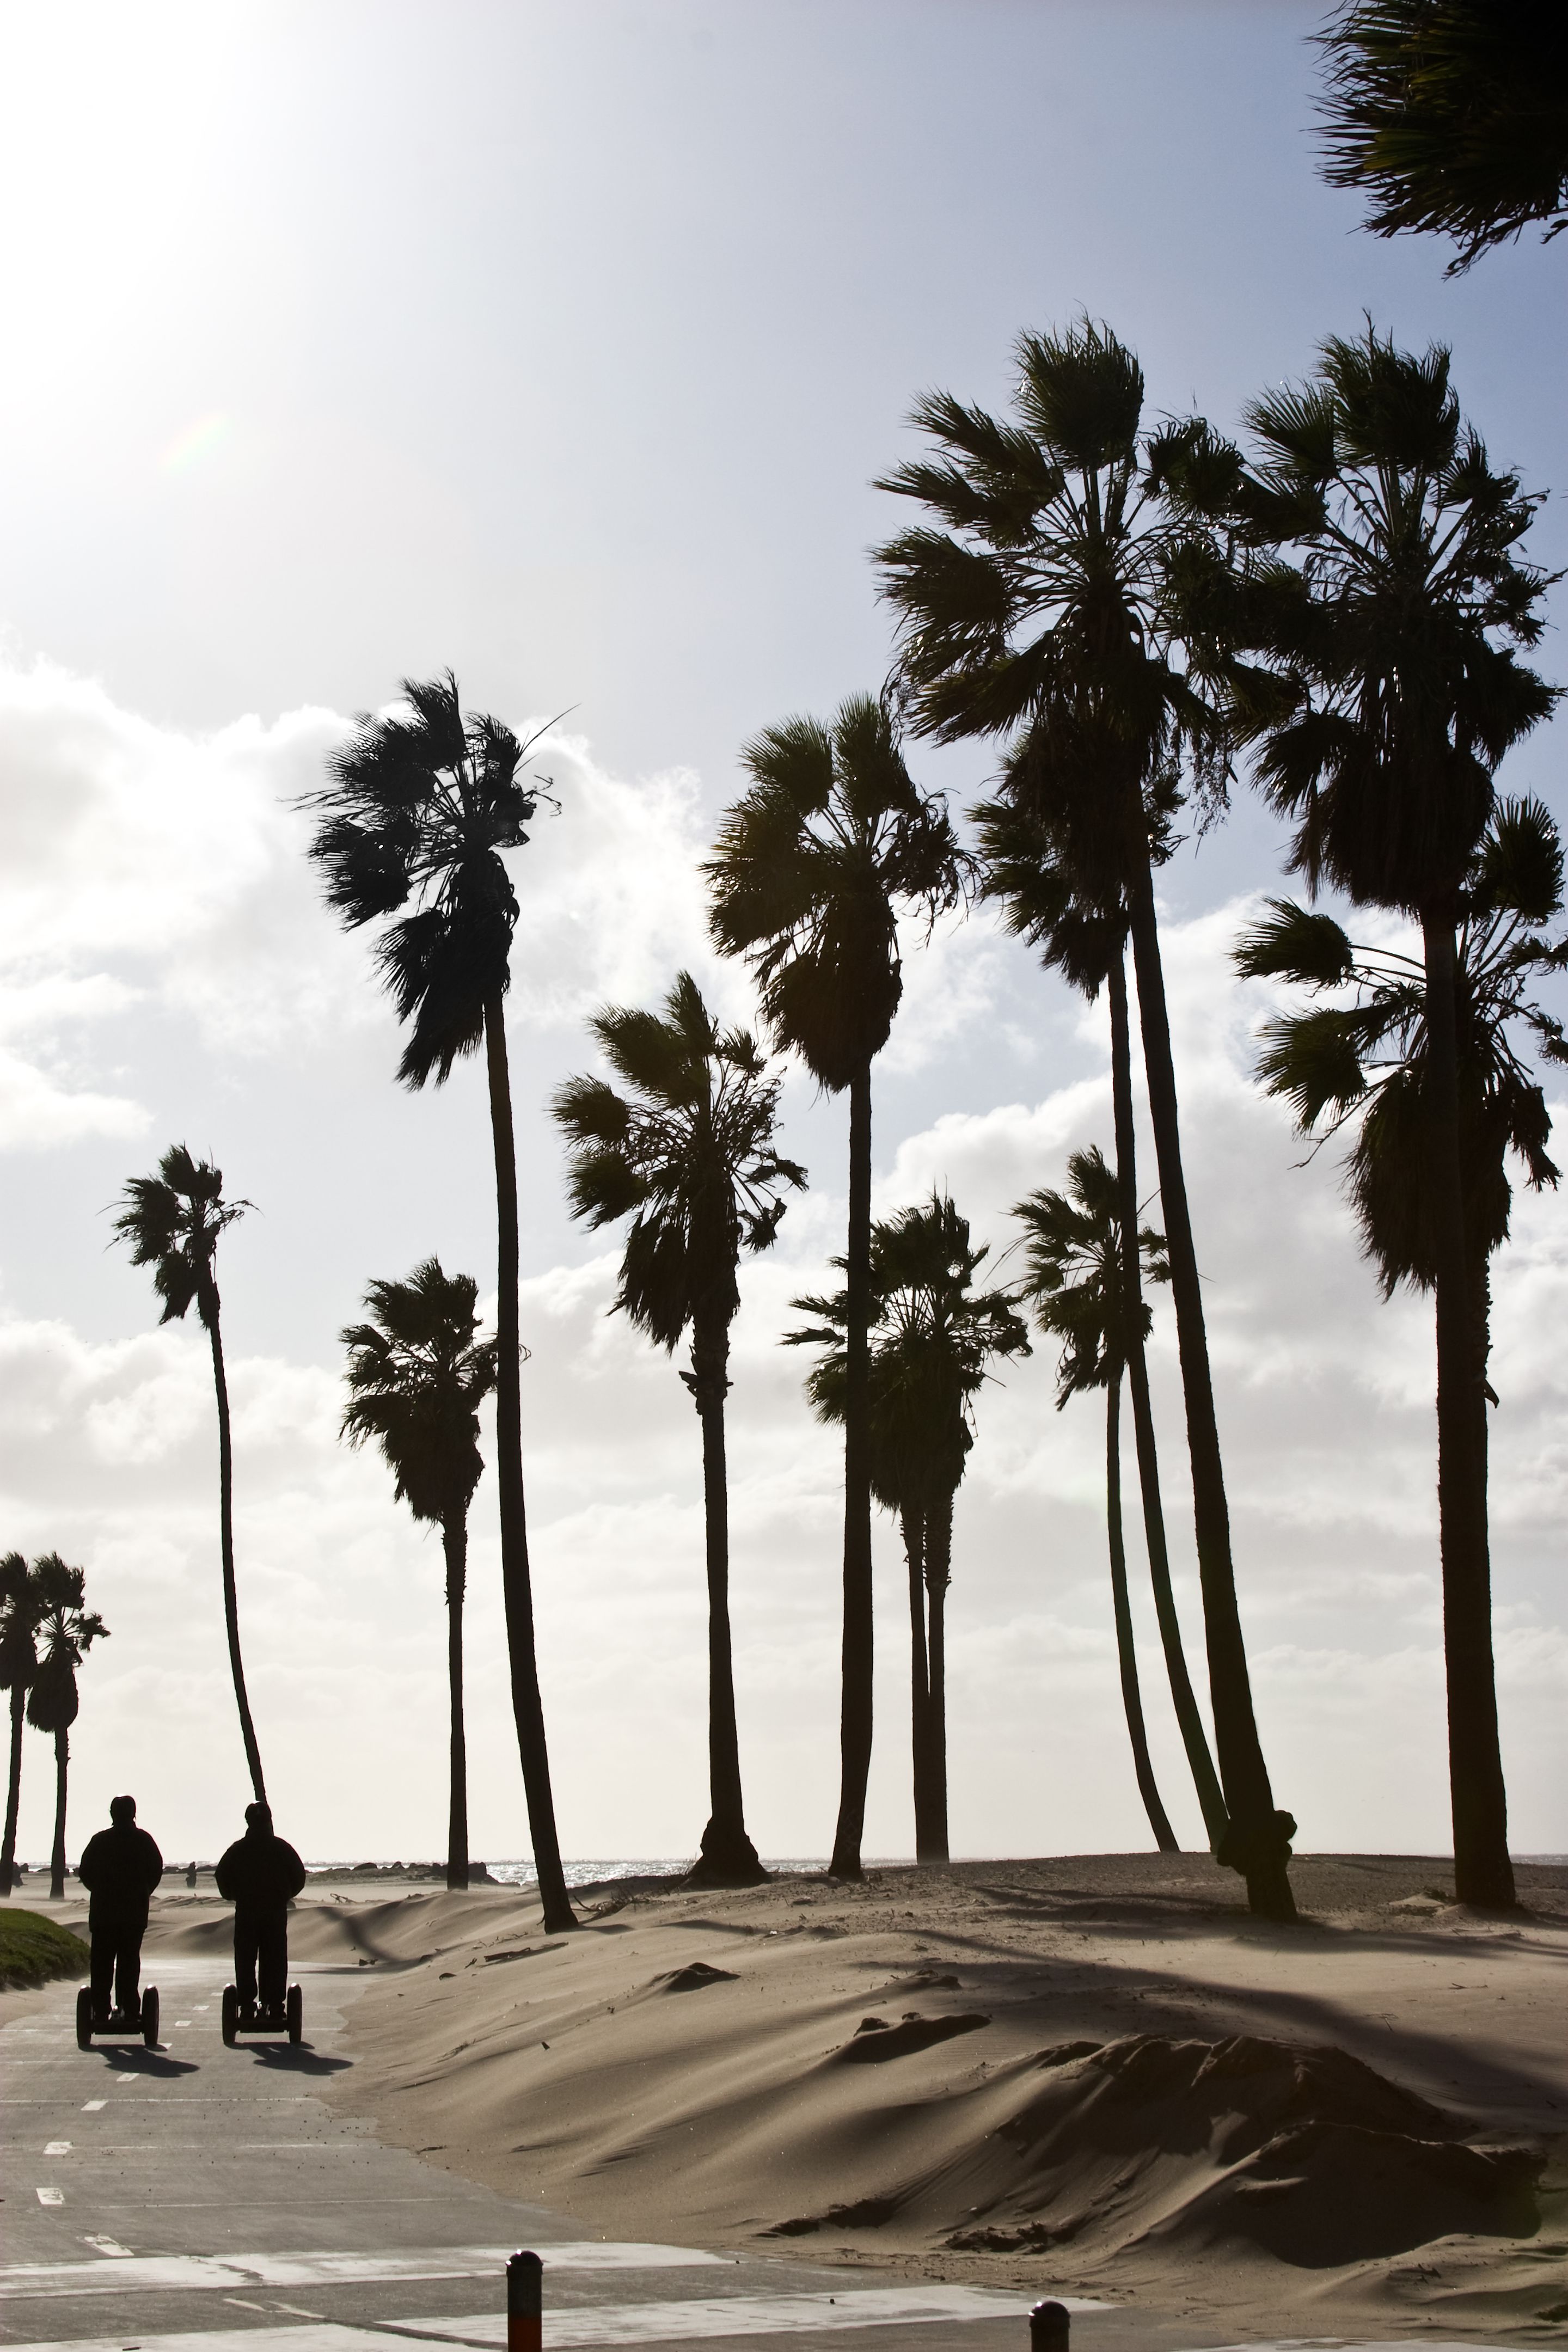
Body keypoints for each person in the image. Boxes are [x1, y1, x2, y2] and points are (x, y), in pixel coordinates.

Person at [215, 1801, 305, 2024]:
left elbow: (222, 1876)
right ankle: (274, 2005)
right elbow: (299, 1877)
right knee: (274, 1957)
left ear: (248, 1822)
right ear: (269, 1820)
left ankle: (247, 2006)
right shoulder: (282, 1848)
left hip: (247, 1912)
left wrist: (234, 1895)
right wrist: (284, 1895)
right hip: (274, 1912)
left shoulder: (238, 1850)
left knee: (245, 1959)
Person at [77, 1795, 163, 2026]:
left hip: (104, 1914)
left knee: (101, 1964)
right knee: (129, 1962)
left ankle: (101, 2009)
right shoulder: (144, 1841)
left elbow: (85, 1872)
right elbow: (156, 1870)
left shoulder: (100, 1841)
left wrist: (100, 1890)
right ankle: (130, 2008)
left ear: (112, 1814)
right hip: (133, 1915)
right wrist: (143, 1891)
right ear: (134, 1814)